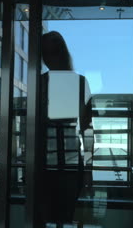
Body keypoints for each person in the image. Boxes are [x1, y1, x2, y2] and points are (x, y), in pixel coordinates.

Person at [40, 31, 93, 225]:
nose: (49, 58)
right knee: (63, 218)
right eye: (47, 53)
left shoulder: (40, 83)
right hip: (68, 165)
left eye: (52, 52)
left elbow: (87, 129)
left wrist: (87, 168)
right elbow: (87, 129)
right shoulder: (78, 82)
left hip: (47, 164)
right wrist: (88, 169)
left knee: (48, 219)